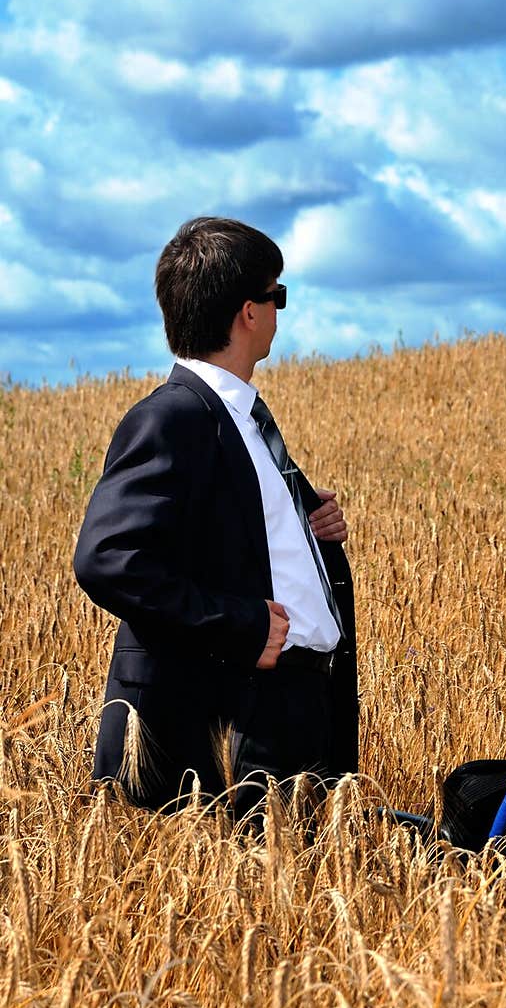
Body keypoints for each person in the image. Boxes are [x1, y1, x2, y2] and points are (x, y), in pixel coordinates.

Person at [73, 215, 358, 826]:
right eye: (276, 294)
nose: (281, 310)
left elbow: (226, 533)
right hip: (221, 728)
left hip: (285, 715)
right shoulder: (173, 417)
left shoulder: (239, 417)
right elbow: (109, 559)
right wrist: (239, 625)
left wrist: (306, 525)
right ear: (248, 313)